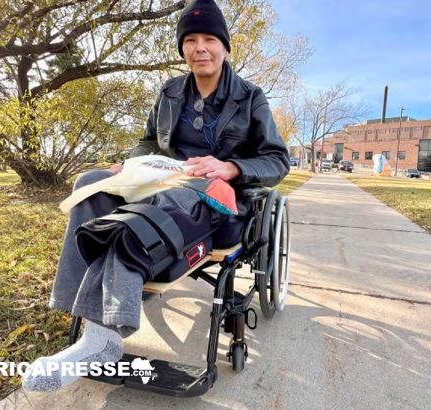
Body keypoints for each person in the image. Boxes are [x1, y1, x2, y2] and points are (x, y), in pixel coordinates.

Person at [22, 0, 289, 392]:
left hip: (215, 197)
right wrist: (129, 165)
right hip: (161, 181)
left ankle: (101, 341)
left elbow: (277, 159)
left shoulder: (250, 98)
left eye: (210, 39)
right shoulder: (169, 92)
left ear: (225, 47)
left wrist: (230, 167)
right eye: (191, 40)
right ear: (183, 48)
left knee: (163, 207)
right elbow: (148, 142)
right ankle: (94, 331)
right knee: (88, 186)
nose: (201, 47)